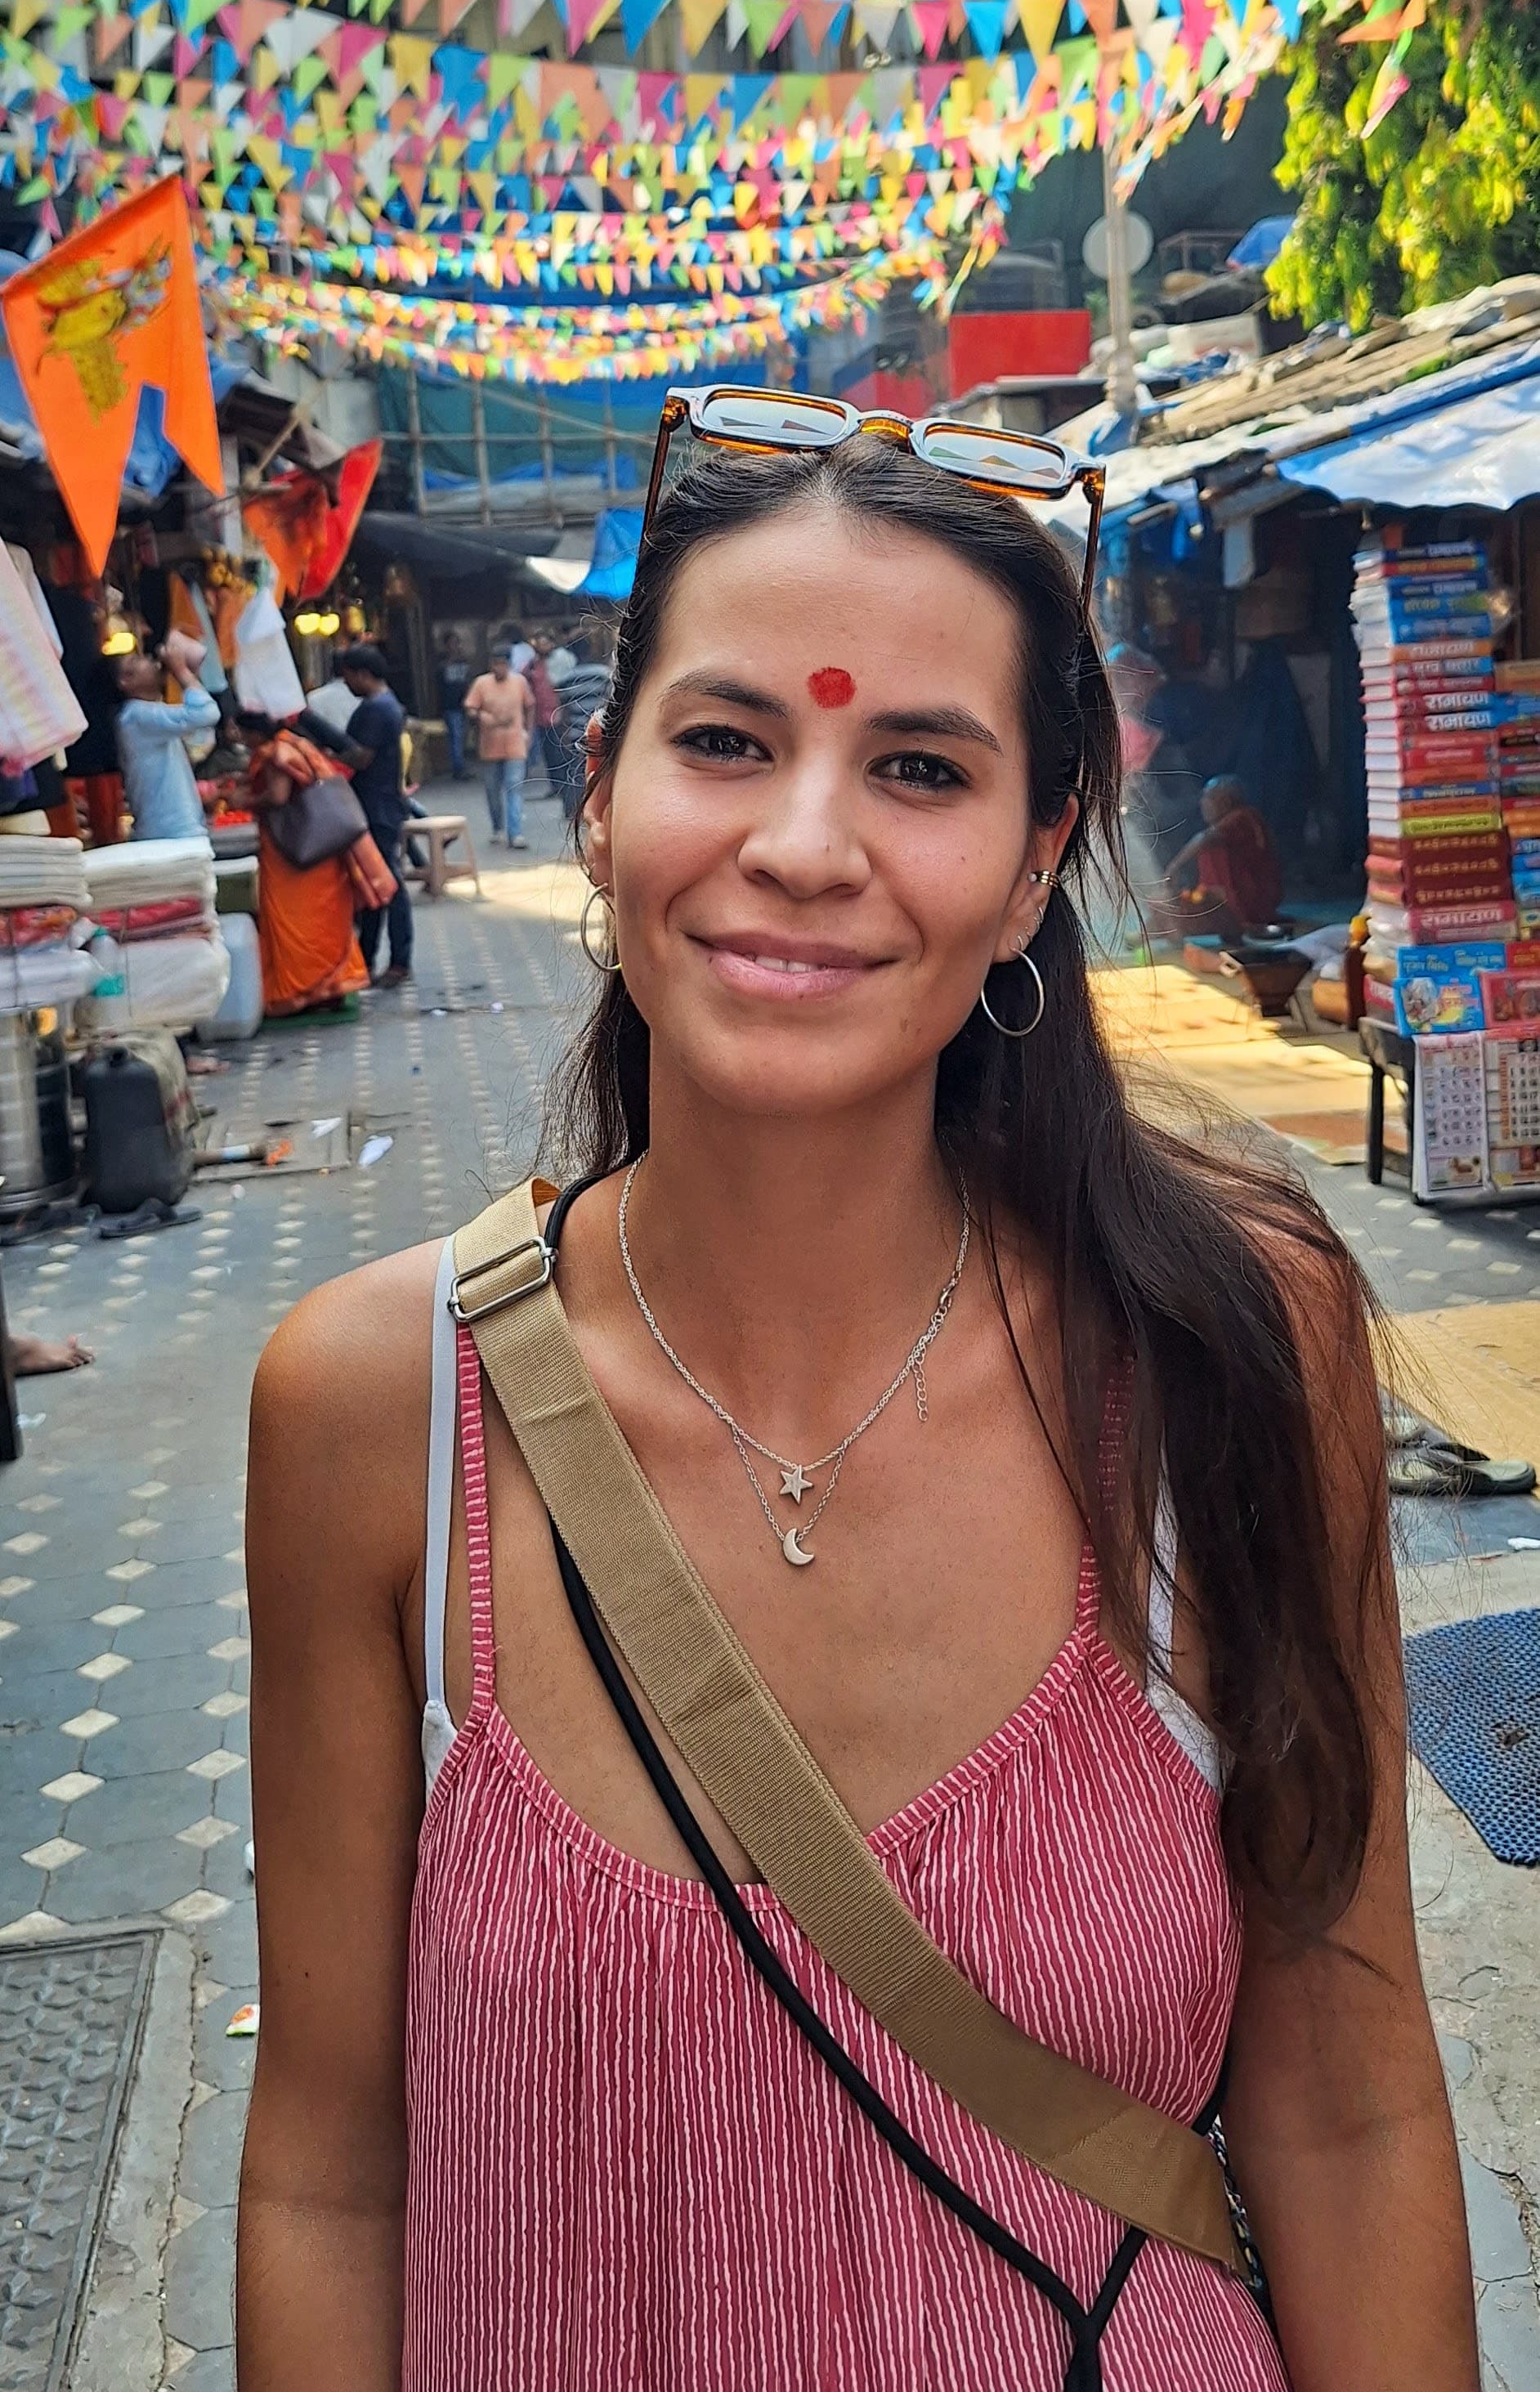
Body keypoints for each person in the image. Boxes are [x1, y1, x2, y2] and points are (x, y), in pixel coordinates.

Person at [239, 415, 1477, 2392]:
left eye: (920, 765)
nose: (806, 842)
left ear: (1035, 858)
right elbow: (327, 2165)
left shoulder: (1227, 1340)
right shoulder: (379, 1410)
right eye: (725, 738)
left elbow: (1347, 2096)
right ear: (599, 794)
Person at [244, 710, 396, 1019]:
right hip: (320, 849)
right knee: (324, 919)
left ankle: (301, 993)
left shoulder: (277, 755)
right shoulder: (294, 743)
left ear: (254, 732)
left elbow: (278, 796)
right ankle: (331, 987)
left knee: (296, 921)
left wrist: (243, 801)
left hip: (293, 855)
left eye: (241, 730)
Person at [334, 645, 414, 987]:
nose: (347, 683)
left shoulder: (375, 709)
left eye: (348, 676)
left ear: (362, 674)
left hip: (377, 806)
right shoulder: (387, 703)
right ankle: (367, 957)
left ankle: (398, 960)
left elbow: (360, 757)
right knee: (375, 883)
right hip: (381, 803)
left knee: (387, 884)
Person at [115, 630, 221, 841]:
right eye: (137, 660)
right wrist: (181, 671)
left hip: (171, 830)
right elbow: (207, 713)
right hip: (171, 832)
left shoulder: (146, 714)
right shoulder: (137, 715)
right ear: (126, 681)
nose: (149, 659)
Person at [1165, 776, 1286, 942]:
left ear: (1226, 801)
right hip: (1229, 903)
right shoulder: (1229, 822)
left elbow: (1204, 839)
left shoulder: (1243, 817)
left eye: (1208, 797)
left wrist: (1174, 866)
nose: (1202, 803)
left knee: (1178, 913)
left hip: (1250, 904)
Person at [464, 640, 533, 848]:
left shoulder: (519, 682)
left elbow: (530, 706)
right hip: (489, 746)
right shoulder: (481, 684)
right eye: (495, 664)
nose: (498, 668)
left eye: (502, 664)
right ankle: (498, 828)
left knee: (515, 788)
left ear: (509, 665)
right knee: (493, 791)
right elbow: (470, 708)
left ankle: (516, 833)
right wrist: (482, 717)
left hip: (514, 743)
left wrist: (528, 732)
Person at [555, 631, 609, 822]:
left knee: (576, 773)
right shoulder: (602, 674)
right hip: (601, 732)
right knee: (599, 771)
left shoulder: (566, 679)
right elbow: (608, 702)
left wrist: (565, 732)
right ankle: (598, 807)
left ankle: (572, 809)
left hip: (576, 732)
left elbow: (564, 712)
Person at [523, 632, 566, 798]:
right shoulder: (533, 664)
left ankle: (564, 785)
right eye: (539, 644)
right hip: (541, 716)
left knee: (559, 752)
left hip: (558, 713)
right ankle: (555, 785)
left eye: (545, 643)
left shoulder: (559, 660)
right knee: (548, 753)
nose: (542, 647)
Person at [434, 629, 472, 781]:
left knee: (461, 737)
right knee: (455, 737)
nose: (455, 646)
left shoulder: (463, 661)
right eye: (452, 643)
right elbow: (439, 685)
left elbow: (468, 681)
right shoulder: (442, 663)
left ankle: (460, 765)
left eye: (457, 642)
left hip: (464, 703)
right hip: (450, 705)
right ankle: (458, 768)